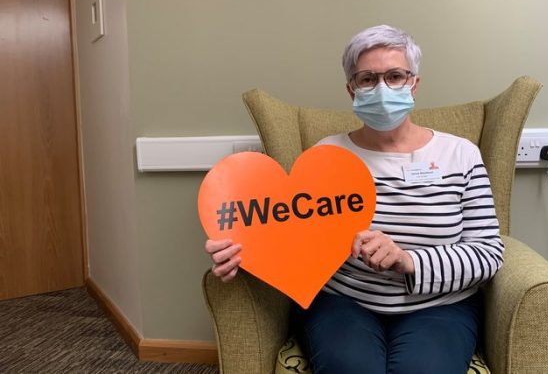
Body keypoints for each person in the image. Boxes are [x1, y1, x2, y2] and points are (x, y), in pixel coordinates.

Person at [205, 24, 504, 374]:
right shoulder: (326, 156)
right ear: (351, 90)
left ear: (414, 84)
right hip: (343, 302)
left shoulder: (460, 154)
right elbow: (295, 239)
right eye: (367, 79)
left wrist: (409, 261)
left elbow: (488, 253)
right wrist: (244, 250)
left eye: (395, 76)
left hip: (439, 305)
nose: (381, 88)